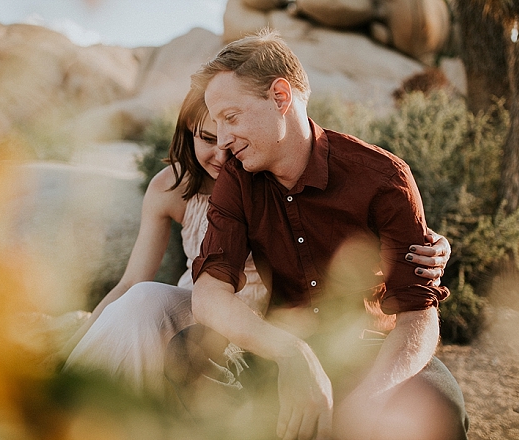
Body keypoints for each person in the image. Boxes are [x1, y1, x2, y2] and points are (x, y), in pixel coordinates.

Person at [61, 85, 451, 403]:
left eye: (229, 132)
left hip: (267, 318)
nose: (222, 150)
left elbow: (329, 220)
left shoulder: (268, 173)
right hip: (202, 306)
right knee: (144, 302)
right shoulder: (169, 188)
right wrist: (82, 340)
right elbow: (130, 283)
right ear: (187, 135)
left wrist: (434, 242)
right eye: (207, 138)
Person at [187, 29, 468, 440]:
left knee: (440, 407)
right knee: (188, 355)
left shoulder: (383, 178)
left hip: (374, 349)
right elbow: (209, 294)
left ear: (280, 97)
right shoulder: (238, 178)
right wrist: (290, 352)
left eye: (231, 117)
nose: (224, 140)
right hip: (281, 344)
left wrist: (372, 397)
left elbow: (418, 314)